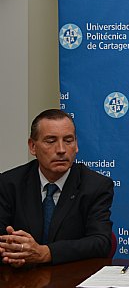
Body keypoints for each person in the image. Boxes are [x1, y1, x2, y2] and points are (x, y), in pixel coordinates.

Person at [0, 109, 113, 267]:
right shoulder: (9, 183)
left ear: (76, 145)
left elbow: (101, 242)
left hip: (72, 282)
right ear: (33, 146)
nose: (61, 149)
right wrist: (15, 253)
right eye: (51, 141)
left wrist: (47, 253)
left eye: (68, 140)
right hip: (20, 279)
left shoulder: (95, 186)